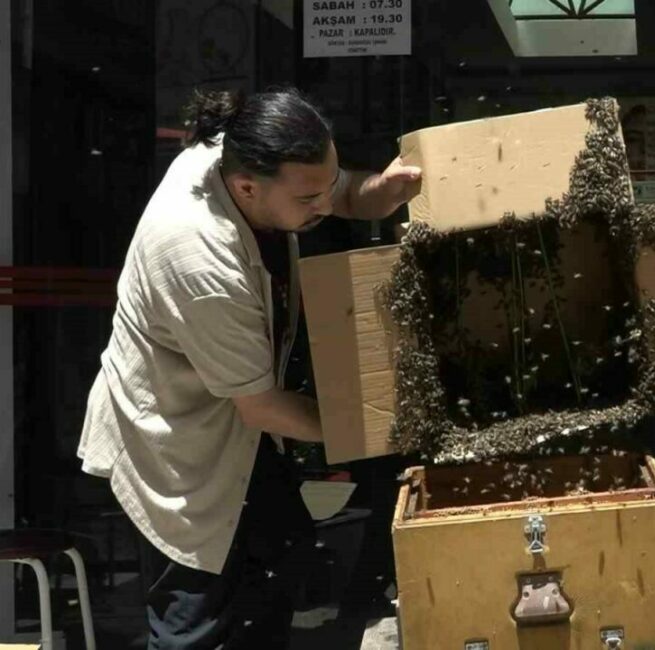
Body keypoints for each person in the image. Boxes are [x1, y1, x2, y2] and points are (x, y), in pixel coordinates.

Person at [77, 87, 420, 649]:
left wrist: (376, 192)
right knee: (199, 613)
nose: (323, 207)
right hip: (177, 444)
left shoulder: (246, 149)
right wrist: (380, 428)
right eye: (311, 198)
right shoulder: (196, 255)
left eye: (326, 186)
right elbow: (262, 406)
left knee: (280, 560)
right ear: (244, 188)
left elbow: (332, 190)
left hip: (238, 426)